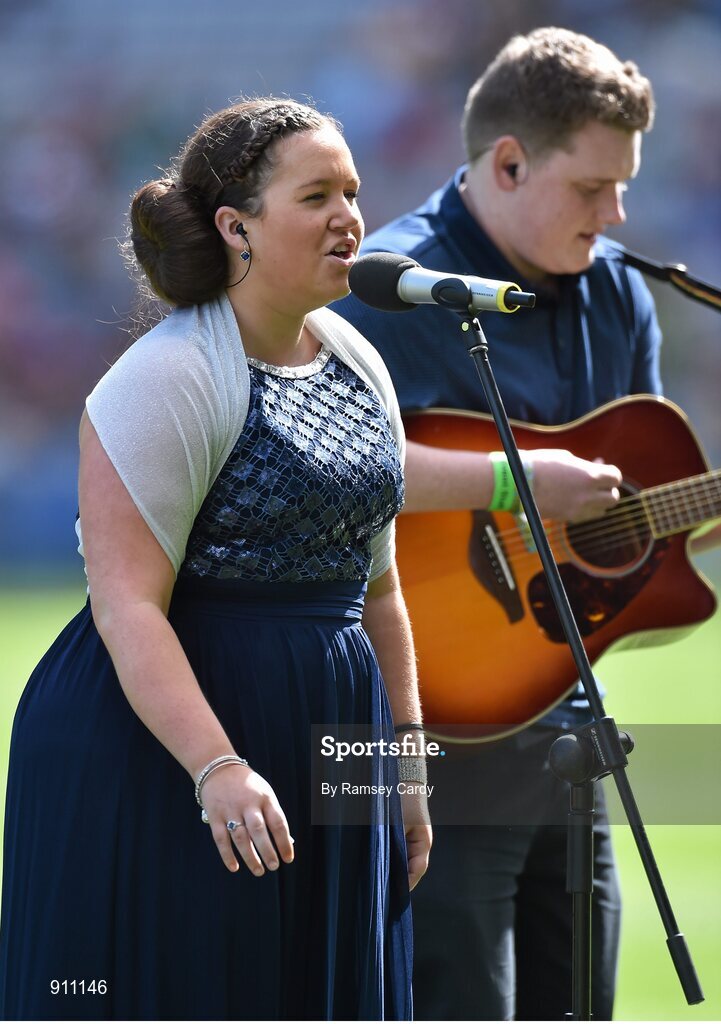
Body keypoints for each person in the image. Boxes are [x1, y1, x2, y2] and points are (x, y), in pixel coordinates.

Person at [0, 97, 432, 1021]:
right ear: (236, 226)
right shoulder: (165, 377)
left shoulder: (360, 363)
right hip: (160, 750)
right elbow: (128, 608)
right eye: (316, 195)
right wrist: (217, 769)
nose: (349, 217)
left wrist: (399, 766)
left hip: (325, 727)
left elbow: (379, 590)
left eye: (352, 192)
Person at [334, 27, 720, 1021]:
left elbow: (631, 523)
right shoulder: (390, 286)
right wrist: (515, 485)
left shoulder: (620, 294)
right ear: (506, 163)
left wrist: (648, 527)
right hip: (420, 743)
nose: (617, 212)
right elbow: (336, 472)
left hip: (563, 731)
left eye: (623, 186)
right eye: (592, 188)